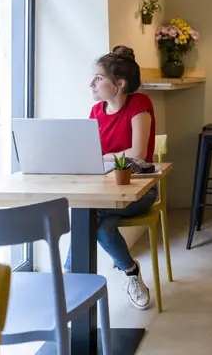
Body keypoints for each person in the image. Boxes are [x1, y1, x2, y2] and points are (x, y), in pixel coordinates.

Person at [63, 45, 157, 310]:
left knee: (87, 214)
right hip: (104, 193)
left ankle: (70, 276)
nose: (91, 83)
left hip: (140, 191)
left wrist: (105, 156)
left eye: (99, 78)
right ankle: (131, 272)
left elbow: (138, 153)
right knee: (100, 226)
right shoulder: (95, 112)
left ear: (119, 84)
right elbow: (90, 155)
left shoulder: (139, 104)